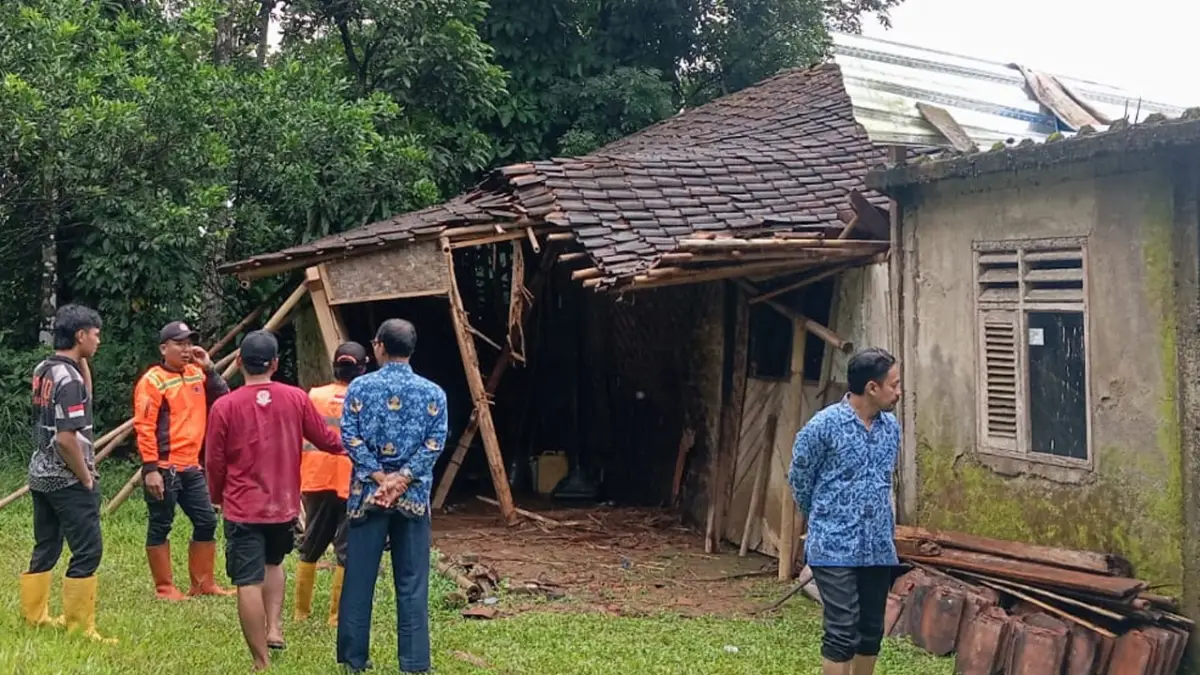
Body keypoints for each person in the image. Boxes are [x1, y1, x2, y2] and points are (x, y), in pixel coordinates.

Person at [205, 330, 344, 671]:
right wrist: (358, 446)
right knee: (274, 563)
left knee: (247, 580)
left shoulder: (225, 406)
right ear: (276, 364)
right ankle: (276, 627)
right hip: (282, 504)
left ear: (239, 363)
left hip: (242, 505)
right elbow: (327, 440)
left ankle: (260, 660)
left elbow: (214, 461)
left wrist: (216, 495)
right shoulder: (296, 399)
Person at [337, 319, 447, 675]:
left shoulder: (359, 389)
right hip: (413, 499)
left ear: (379, 346)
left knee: (359, 579)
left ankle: (354, 660)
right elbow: (435, 443)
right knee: (412, 582)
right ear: (411, 349)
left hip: (367, 496)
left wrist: (379, 477)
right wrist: (402, 480)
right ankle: (414, 664)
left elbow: (349, 437)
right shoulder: (434, 393)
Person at [788, 348, 902, 675]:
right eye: (893, 385)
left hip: (877, 546)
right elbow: (799, 477)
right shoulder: (823, 426)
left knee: (871, 630)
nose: (899, 392)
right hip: (833, 544)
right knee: (842, 629)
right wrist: (823, 516)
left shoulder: (891, 428)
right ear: (871, 387)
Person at [20, 304, 115, 644]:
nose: (98, 340)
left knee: (47, 543)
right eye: (95, 333)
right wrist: (86, 478)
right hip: (67, 477)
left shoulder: (45, 368)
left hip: (40, 474)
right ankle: (79, 626)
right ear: (80, 335)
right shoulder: (69, 378)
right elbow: (66, 438)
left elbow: (83, 395)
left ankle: (35, 615)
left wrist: (82, 360)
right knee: (88, 550)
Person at [133, 321, 232, 601]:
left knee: (206, 521)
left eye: (190, 343)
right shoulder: (152, 381)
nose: (187, 349)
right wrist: (150, 469)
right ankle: (165, 588)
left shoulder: (196, 373)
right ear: (164, 348)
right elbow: (144, 426)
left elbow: (223, 400)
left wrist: (210, 367)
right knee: (161, 523)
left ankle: (202, 583)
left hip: (191, 466)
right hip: (164, 468)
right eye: (180, 343)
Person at [293, 341, 368, 625]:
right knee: (346, 548)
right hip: (353, 481)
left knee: (311, 543)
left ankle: (301, 613)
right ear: (363, 367)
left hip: (316, 477)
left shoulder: (313, 396)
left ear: (335, 365)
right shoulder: (366, 398)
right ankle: (336, 617)